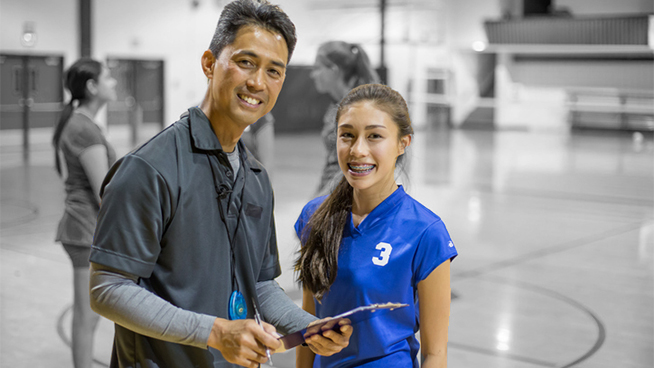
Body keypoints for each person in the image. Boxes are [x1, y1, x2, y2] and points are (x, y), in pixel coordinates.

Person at [88, 1, 351, 367]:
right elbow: (108, 289)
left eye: (274, 71)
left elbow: (258, 284)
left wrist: (308, 326)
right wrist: (214, 332)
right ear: (210, 64)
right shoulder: (150, 168)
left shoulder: (256, 178)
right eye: (246, 62)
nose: (258, 82)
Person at [294, 84, 458, 368]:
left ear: (402, 143)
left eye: (374, 137)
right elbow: (309, 325)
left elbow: (436, 354)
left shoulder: (426, 232)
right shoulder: (315, 216)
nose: (358, 150)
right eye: (347, 135)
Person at [52, 58, 117, 368]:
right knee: (86, 316)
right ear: (92, 87)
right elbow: (105, 192)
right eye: (108, 78)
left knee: (89, 314)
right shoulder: (83, 129)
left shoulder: (82, 124)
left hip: (84, 228)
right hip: (84, 230)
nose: (114, 83)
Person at [310, 41, 380, 196]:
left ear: (333, 70)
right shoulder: (336, 105)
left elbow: (357, 165)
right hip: (330, 191)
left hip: (347, 196)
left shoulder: (357, 109)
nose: (312, 75)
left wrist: (322, 200)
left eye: (317, 68)